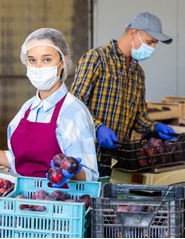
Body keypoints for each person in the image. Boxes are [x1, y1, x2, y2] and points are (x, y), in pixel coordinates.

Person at [0, 28, 99, 184]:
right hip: (23, 199)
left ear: (62, 62)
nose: (38, 67)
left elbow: (90, 175)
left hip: (60, 202)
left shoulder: (74, 112)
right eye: (32, 60)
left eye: (47, 60)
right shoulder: (27, 108)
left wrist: (73, 172)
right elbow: (19, 162)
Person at [70, 12, 176, 176]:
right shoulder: (97, 59)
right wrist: (98, 128)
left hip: (117, 161)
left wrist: (154, 127)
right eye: (150, 42)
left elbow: (139, 118)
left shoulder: (137, 73)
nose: (152, 48)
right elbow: (74, 105)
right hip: (88, 158)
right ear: (134, 33)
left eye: (155, 44)